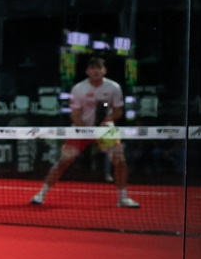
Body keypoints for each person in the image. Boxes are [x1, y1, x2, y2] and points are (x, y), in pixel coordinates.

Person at [30, 54, 139, 208]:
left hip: (105, 129)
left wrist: (105, 121)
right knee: (63, 162)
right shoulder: (79, 88)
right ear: (87, 71)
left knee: (120, 162)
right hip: (81, 128)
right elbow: (75, 114)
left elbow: (118, 111)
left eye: (99, 68)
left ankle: (123, 198)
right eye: (92, 68)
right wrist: (87, 129)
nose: (95, 71)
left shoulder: (114, 87)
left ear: (104, 71)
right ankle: (41, 194)